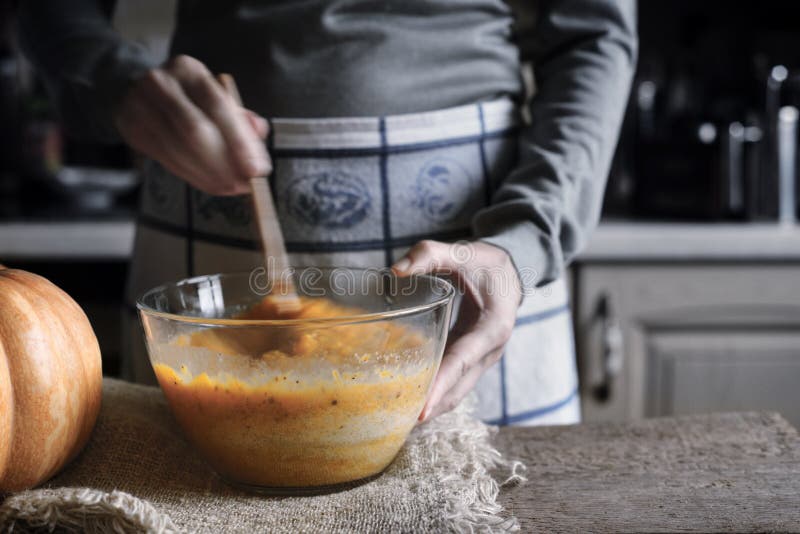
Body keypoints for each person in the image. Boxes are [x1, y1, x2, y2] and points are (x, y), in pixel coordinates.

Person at [17, 0, 637, 425]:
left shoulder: (506, 245)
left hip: (480, 241)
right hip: (200, 199)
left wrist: (523, 239)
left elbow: (594, 33)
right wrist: (113, 81)